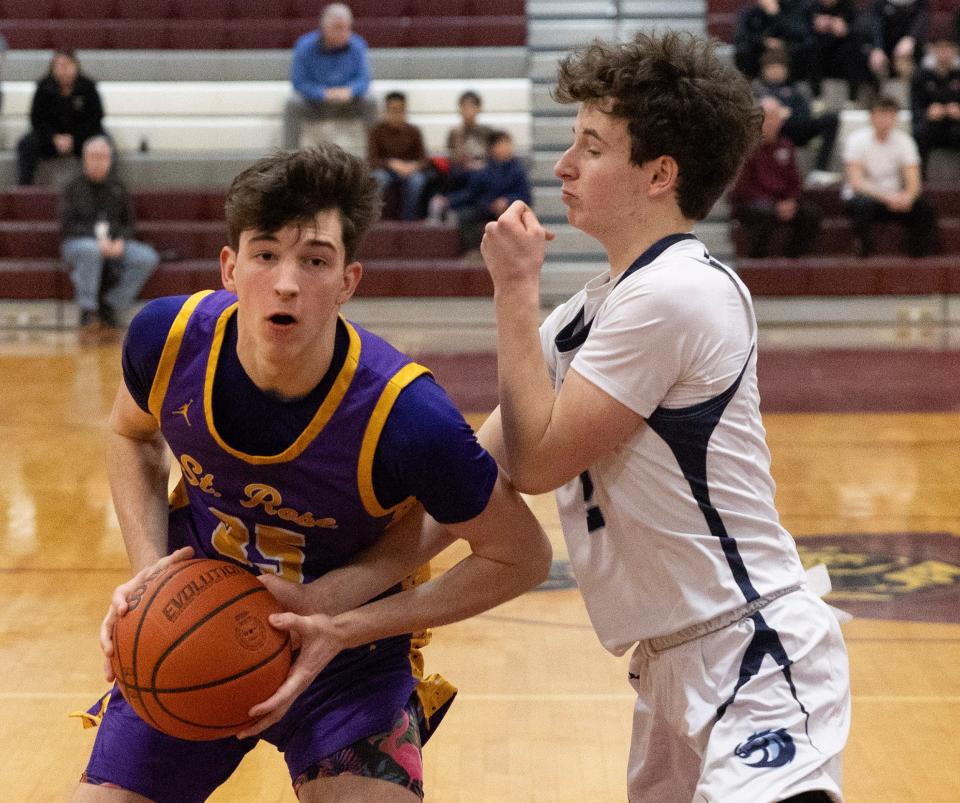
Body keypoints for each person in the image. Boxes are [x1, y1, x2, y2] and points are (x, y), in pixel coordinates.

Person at [72, 144, 550, 803]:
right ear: (230, 266)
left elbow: (521, 556)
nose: (287, 281)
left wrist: (344, 622)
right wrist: (149, 569)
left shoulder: (405, 414)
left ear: (349, 280)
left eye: (315, 260)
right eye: (266, 254)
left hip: (351, 661)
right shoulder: (168, 337)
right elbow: (130, 434)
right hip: (197, 632)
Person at [480, 32, 851, 801]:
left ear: (659, 174)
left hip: (754, 652)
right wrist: (332, 599)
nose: (563, 165)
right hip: (671, 664)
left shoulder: (678, 291)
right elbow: (465, 468)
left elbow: (537, 461)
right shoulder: (591, 313)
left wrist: (512, 293)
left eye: (591, 145)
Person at [60, 137, 159, 332]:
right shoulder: (72, 187)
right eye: (94, 157)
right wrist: (98, 242)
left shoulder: (118, 187)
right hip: (78, 243)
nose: (98, 162)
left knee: (147, 257)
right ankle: (88, 309)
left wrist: (120, 242)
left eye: (103, 157)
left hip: (113, 242)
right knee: (90, 251)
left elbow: (128, 224)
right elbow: (68, 226)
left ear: (109, 160)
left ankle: (111, 305)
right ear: (84, 159)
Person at [843, 94, 938, 256]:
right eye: (882, 114)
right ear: (872, 116)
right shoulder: (856, 140)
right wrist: (886, 197)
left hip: (897, 199)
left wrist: (908, 197)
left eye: (891, 115)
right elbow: (856, 182)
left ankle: (919, 256)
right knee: (863, 206)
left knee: (924, 208)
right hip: (867, 197)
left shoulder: (905, 141)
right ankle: (863, 251)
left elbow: (914, 180)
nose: (886, 120)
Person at [731, 97, 823, 258]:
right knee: (764, 213)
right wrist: (775, 205)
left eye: (775, 117)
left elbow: (795, 181)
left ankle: (792, 258)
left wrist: (791, 201)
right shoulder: (746, 147)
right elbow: (743, 189)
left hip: (782, 203)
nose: (772, 122)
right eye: (767, 117)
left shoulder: (786, 145)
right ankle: (757, 260)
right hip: (754, 204)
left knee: (811, 214)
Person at [283, 3, 376, 149]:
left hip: (348, 102)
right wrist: (322, 93)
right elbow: (299, 82)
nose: (343, 32)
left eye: (346, 27)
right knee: (293, 103)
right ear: (324, 28)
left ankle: (375, 155)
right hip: (315, 103)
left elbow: (364, 79)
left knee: (370, 100)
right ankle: (288, 156)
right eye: (337, 28)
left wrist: (350, 91)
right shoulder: (304, 46)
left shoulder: (358, 45)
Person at [428, 130, 532, 252]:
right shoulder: (484, 170)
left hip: (510, 211)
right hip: (485, 210)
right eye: (501, 144)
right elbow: (472, 194)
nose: (506, 148)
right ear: (493, 148)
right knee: (465, 216)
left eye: (507, 144)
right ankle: (473, 251)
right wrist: (448, 201)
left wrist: (507, 201)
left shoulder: (518, 170)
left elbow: (525, 195)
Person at [17, 49, 105, 186]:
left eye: (67, 65)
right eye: (59, 65)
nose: (64, 70)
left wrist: (74, 138)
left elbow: (95, 118)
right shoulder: (43, 87)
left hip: (81, 138)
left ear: (76, 66)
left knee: (102, 146)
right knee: (26, 144)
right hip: (50, 139)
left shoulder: (88, 87)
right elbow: (36, 119)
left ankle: (105, 188)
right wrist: (54, 138)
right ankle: (24, 189)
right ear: (52, 68)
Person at [753, 49, 840, 179]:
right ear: (764, 70)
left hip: (796, 128)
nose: (775, 70)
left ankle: (820, 170)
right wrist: (777, 114)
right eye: (771, 67)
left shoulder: (798, 87)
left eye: (779, 67)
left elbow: (806, 113)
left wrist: (786, 113)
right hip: (770, 131)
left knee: (831, 118)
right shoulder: (756, 88)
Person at [368, 91, 432, 220]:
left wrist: (413, 166)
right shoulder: (376, 131)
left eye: (400, 110)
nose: (397, 115)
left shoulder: (413, 131)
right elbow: (372, 160)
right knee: (379, 178)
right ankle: (379, 218)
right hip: (386, 171)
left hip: (409, 171)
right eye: (393, 110)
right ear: (386, 111)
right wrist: (391, 163)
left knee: (417, 181)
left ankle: (409, 219)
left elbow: (424, 160)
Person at [910, 29, 960, 176]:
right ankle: (920, 179)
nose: (944, 52)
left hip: (956, 125)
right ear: (933, 50)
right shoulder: (921, 76)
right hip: (931, 125)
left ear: (955, 50)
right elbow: (915, 108)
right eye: (940, 48)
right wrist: (928, 113)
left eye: (948, 48)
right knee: (919, 133)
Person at [803, 0, 869, 101]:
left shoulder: (848, 7)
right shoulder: (812, 7)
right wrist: (816, 26)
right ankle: (817, 98)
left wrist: (845, 30)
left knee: (853, 52)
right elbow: (803, 31)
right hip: (820, 51)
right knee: (811, 51)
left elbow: (861, 31)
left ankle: (853, 99)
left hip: (842, 52)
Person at [733, 0, 813, 81]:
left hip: (785, 46)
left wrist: (777, 15)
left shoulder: (790, 8)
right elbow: (742, 35)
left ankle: (794, 85)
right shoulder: (749, 12)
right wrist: (763, 41)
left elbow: (799, 32)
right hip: (759, 47)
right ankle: (750, 83)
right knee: (743, 51)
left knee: (805, 47)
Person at [866, 0, 929, 83]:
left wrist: (910, 38)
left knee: (906, 64)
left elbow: (921, 19)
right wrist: (877, 47)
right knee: (875, 62)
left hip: (909, 46)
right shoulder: (880, 3)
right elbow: (876, 24)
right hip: (885, 46)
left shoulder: (918, 4)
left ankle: (907, 92)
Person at [445, 90, 494, 194]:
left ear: (479, 109)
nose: (468, 111)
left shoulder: (487, 132)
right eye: (464, 107)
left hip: (483, 169)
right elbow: (453, 158)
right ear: (460, 109)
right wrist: (459, 136)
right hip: (462, 170)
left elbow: (493, 155)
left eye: (472, 107)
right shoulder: (455, 132)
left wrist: (480, 164)